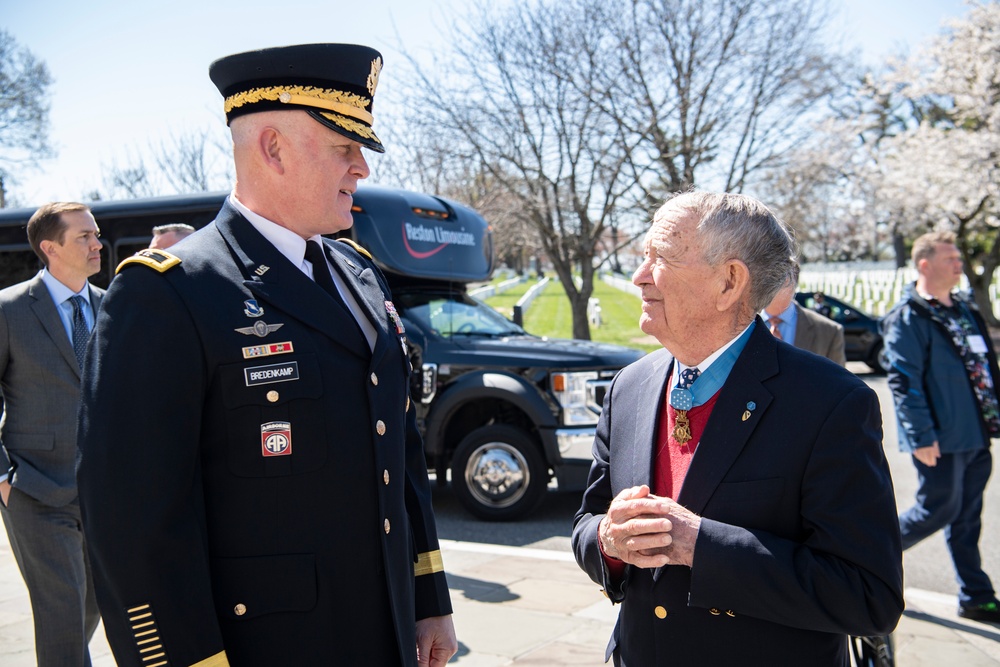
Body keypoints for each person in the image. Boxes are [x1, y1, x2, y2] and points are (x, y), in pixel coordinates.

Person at [77, 44, 456, 667]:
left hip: (384, 634)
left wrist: (427, 594)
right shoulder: (169, 291)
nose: (361, 168)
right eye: (343, 147)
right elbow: (133, 523)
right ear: (272, 147)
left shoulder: (358, 273)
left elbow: (399, 448)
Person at [572, 191, 903, 666]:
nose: (639, 276)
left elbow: (869, 595)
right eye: (642, 256)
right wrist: (609, 540)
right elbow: (587, 524)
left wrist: (700, 545)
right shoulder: (630, 385)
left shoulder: (831, 403)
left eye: (660, 257)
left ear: (729, 282)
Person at [0, 202, 103, 665]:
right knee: (61, 613)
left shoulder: (114, 305)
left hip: (104, 494)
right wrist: (3, 478)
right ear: (50, 248)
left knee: (90, 608)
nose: (97, 243)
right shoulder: (9, 310)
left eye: (95, 234)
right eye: (84, 237)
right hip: (36, 491)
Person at [883, 230, 1000, 623]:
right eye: (950, 258)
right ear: (925, 264)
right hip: (940, 438)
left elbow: (983, 368)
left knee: (968, 517)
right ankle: (865, 555)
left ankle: (976, 595)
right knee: (937, 510)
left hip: (975, 434)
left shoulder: (963, 309)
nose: (959, 264)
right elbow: (904, 379)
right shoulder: (909, 315)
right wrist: (920, 436)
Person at [762, 264, 846, 365]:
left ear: (793, 280)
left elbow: (836, 380)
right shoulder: (740, 326)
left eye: (778, 276)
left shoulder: (829, 331)